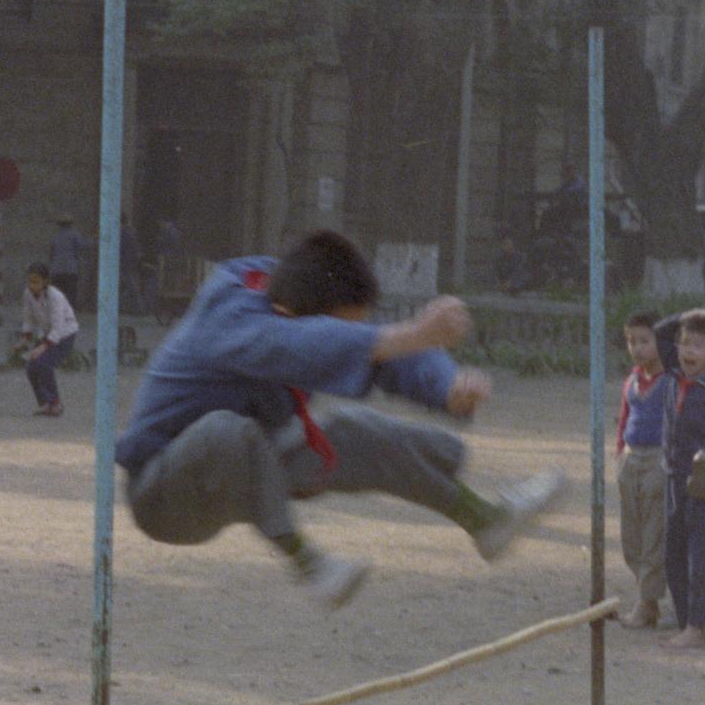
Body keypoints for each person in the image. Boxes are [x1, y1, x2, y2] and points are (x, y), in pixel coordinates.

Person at [113, 229, 563, 607]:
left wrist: (446, 386)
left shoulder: (295, 287)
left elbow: (379, 347)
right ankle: (308, 562)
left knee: (351, 430)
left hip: (254, 468)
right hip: (166, 495)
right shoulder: (231, 312)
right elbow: (304, 344)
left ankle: (484, 519)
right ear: (291, 315)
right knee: (227, 429)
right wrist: (414, 333)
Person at [651, 310, 705, 650]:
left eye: (699, 345)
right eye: (685, 343)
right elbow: (660, 331)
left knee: (704, 554)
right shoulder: (674, 377)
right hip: (674, 478)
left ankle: (698, 626)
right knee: (674, 551)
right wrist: (688, 316)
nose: (689, 351)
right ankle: (685, 618)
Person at [615, 311, 669, 626]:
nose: (637, 348)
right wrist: (620, 449)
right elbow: (625, 416)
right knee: (631, 534)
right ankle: (645, 590)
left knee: (654, 532)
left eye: (644, 341)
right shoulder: (632, 381)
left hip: (659, 459)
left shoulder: (672, 381)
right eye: (631, 341)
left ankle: (648, 602)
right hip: (632, 458)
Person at [16, 262, 78, 418]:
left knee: (44, 364)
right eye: (29, 281)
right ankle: (45, 404)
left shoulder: (55, 296)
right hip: (46, 334)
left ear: (45, 282)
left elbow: (58, 328)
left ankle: (55, 404)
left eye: (36, 281)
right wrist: (25, 339)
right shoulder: (27, 294)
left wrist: (41, 348)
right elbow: (28, 318)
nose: (32, 285)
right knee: (31, 368)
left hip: (65, 334)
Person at [48, 216, 88, 311]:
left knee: (57, 292)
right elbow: (82, 246)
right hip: (70, 268)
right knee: (71, 292)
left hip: (57, 269)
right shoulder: (74, 234)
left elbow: (51, 253)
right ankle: (69, 310)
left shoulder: (56, 236)